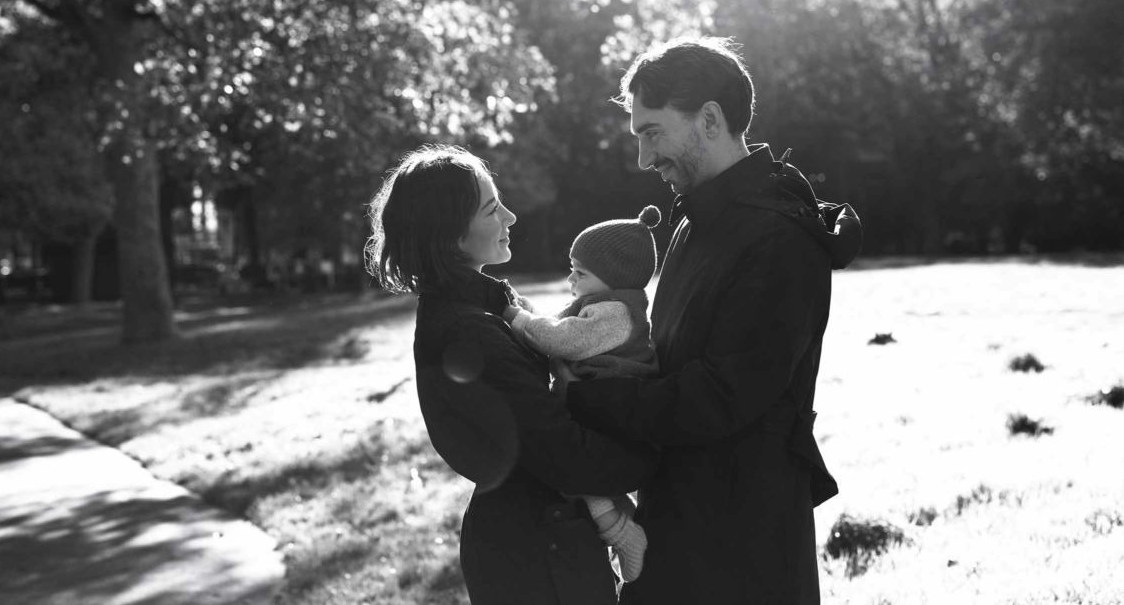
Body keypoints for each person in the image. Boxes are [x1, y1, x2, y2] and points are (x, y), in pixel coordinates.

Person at [560, 37, 863, 604]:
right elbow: (665, 361)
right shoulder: (694, 221)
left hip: (740, 549)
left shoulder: (779, 239)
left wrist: (586, 398)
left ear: (709, 118)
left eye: (652, 133)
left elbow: (720, 397)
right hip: (679, 520)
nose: (645, 159)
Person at [365, 145, 657, 605]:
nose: (511, 216)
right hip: (535, 552)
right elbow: (558, 449)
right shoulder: (467, 332)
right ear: (453, 235)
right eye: (491, 208)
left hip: (544, 535)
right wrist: (658, 454)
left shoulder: (478, 308)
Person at [501, 205, 661, 583]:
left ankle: (623, 534)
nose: (571, 278)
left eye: (581, 272)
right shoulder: (601, 306)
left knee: (577, 476)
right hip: (598, 406)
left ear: (613, 277)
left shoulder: (617, 314)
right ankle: (624, 522)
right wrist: (527, 312)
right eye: (571, 267)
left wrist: (513, 317)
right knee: (582, 478)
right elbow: (561, 325)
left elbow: (562, 338)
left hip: (609, 412)